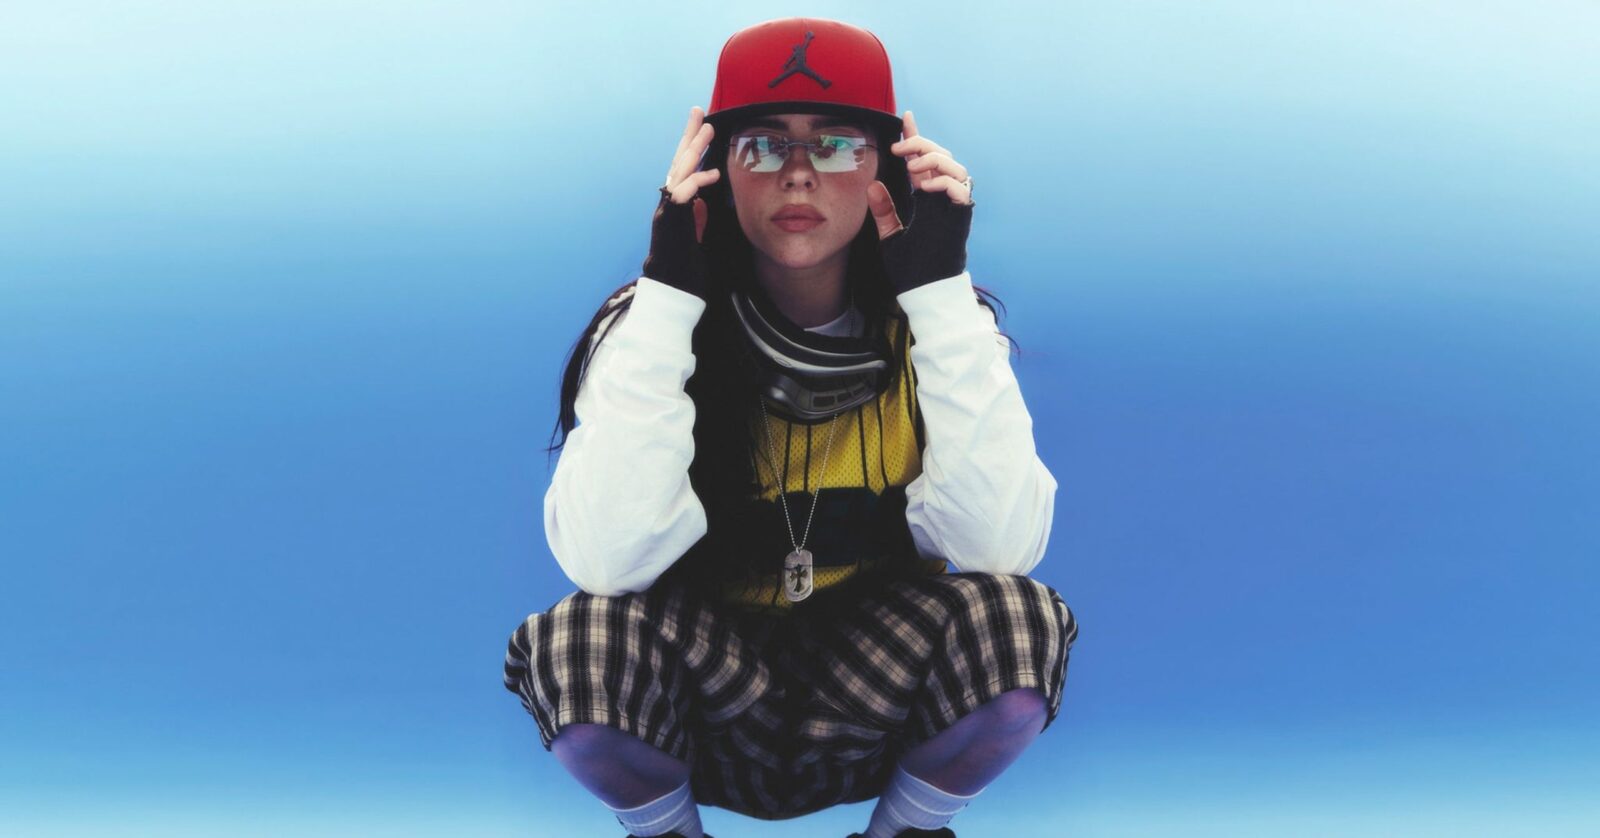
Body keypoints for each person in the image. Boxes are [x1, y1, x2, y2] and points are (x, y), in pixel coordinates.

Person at [503, 17, 1079, 838]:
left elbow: (1001, 547)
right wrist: (668, 296)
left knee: (1019, 620)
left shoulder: (939, 329)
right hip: (703, 708)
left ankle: (904, 833)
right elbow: (605, 562)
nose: (799, 174)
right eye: (764, 146)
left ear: (886, 169)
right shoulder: (646, 328)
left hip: (870, 702)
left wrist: (939, 294)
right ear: (715, 171)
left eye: (837, 145)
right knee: (579, 639)